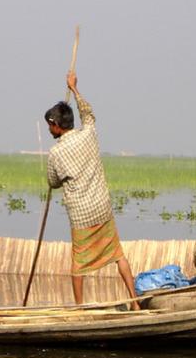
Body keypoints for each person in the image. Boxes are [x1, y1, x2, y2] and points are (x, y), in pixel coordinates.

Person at [44, 72, 139, 310]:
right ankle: (135, 302)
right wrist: (75, 90)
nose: (49, 129)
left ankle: (79, 309)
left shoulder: (56, 153)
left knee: (79, 264)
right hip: (102, 208)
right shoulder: (89, 134)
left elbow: (53, 182)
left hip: (82, 216)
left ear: (56, 126)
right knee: (118, 255)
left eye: (50, 125)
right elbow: (88, 113)